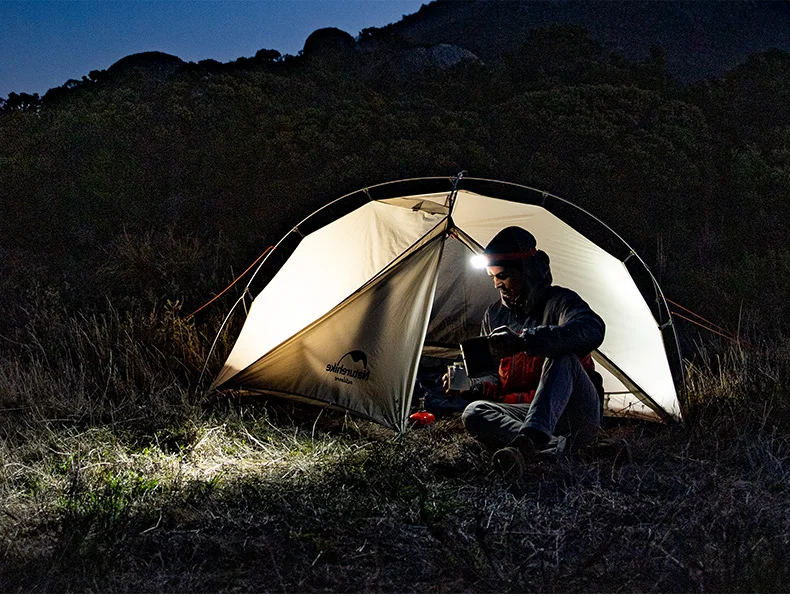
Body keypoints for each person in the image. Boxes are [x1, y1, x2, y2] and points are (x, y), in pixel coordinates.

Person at [445, 226, 605, 474]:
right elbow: (495, 377)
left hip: (574, 413)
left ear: (527, 272)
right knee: (475, 412)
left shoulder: (561, 302)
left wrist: (524, 341)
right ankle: (555, 448)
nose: (497, 284)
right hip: (528, 411)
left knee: (560, 355)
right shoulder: (495, 315)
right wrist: (471, 385)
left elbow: (592, 329)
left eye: (504, 276)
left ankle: (530, 443)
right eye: (493, 277)